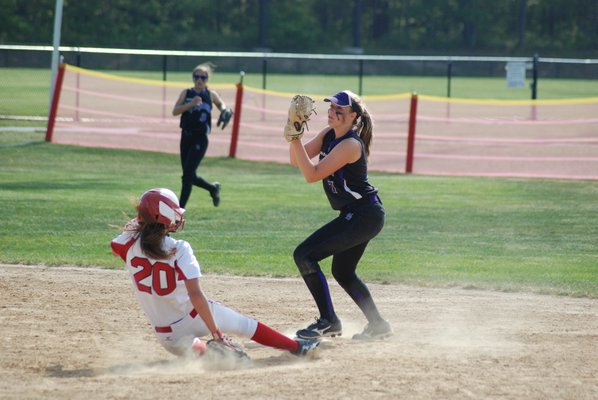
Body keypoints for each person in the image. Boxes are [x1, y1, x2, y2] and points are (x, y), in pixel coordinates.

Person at [111, 188, 320, 357]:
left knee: (203, 353)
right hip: (194, 316)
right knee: (245, 325)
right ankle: (296, 348)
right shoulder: (179, 248)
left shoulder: (126, 244)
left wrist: (136, 225)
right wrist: (217, 333)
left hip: (167, 337)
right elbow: (196, 296)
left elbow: (122, 244)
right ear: (164, 215)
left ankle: (208, 352)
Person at [287, 90, 393, 341]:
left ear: (353, 116)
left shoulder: (350, 144)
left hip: (364, 214)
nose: (332, 112)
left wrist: (295, 137)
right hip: (358, 214)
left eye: (340, 110)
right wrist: (295, 133)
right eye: (331, 107)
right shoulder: (329, 135)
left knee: (304, 255)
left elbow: (312, 175)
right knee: (343, 272)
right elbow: (295, 161)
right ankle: (378, 325)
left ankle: (329, 320)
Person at [172, 62, 231, 208]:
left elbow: (222, 106)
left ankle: (180, 210)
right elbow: (175, 111)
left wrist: (225, 110)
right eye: (196, 76)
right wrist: (190, 104)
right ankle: (212, 188)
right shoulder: (187, 93)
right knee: (189, 174)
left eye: (203, 77)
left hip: (200, 138)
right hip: (186, 136)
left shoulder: (210, 94)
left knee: (187, 176)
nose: (199, 80)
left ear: (207, 79)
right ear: (193, 78)